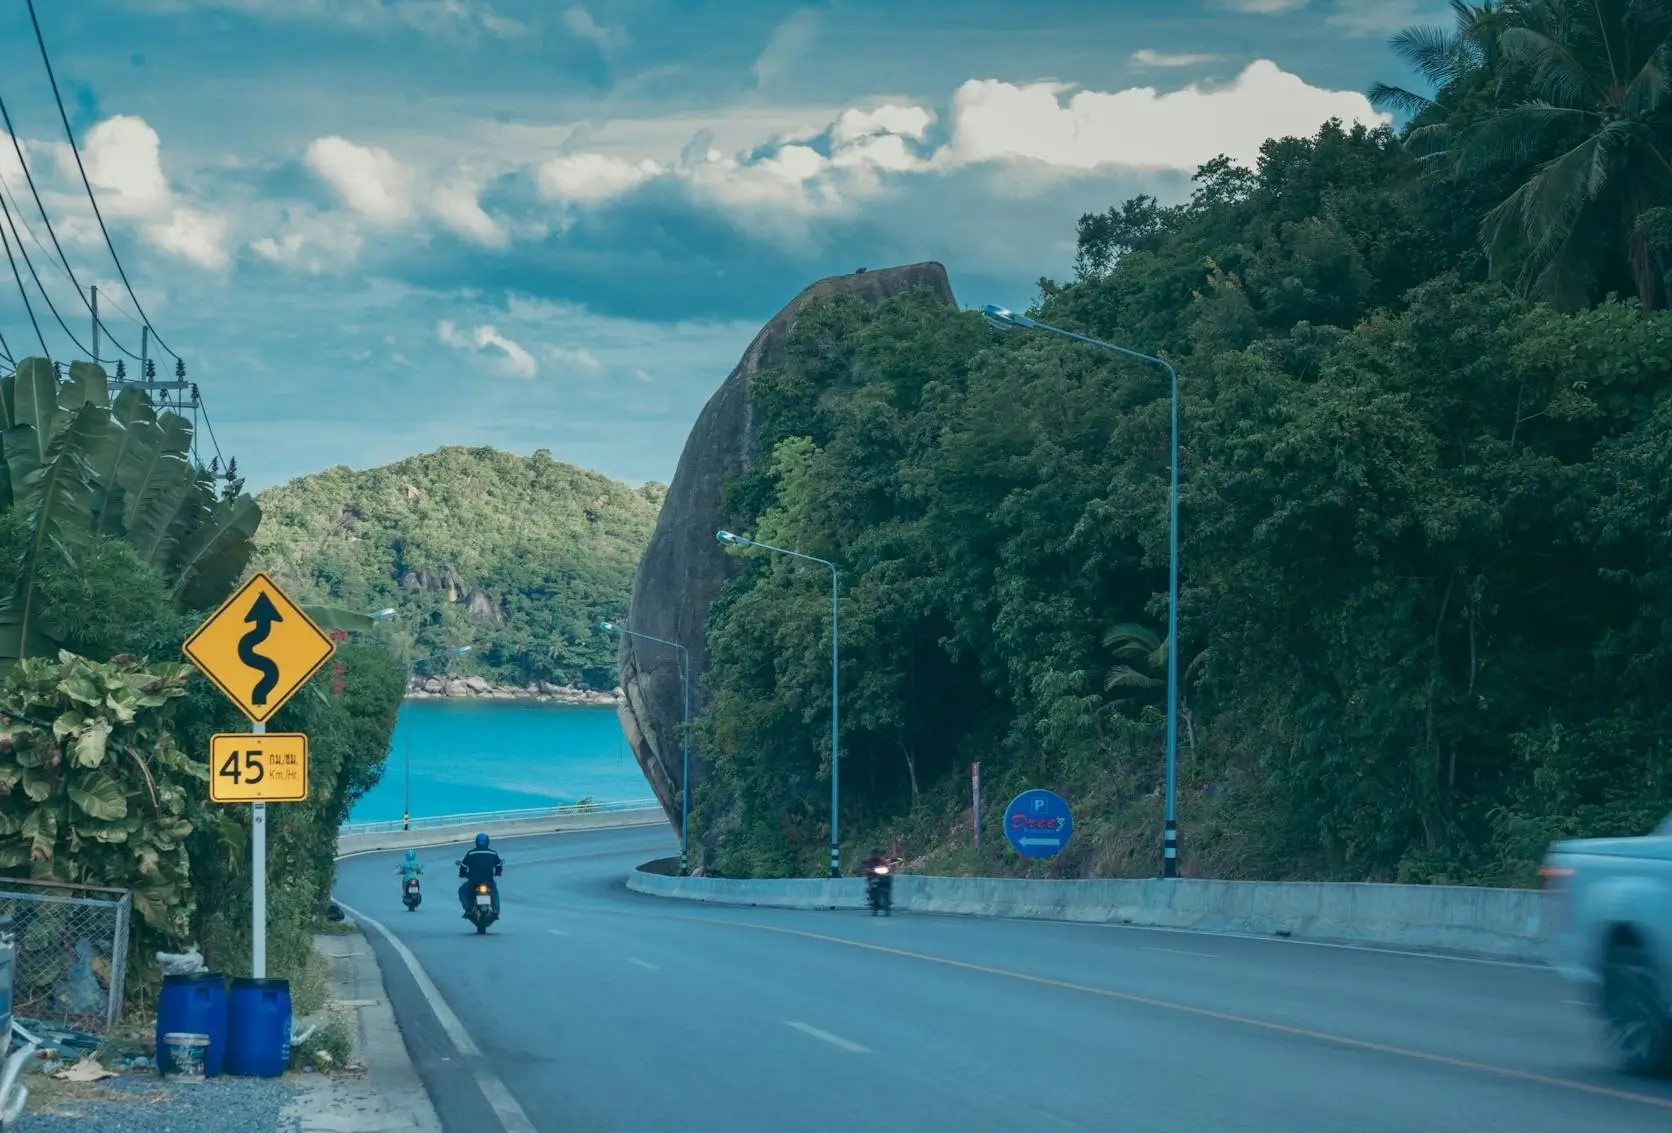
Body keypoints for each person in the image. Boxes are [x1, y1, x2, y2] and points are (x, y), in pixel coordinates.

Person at [458, 832, 504, 918]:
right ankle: (496, 909)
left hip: (474, 881)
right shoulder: (493, 853)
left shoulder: (471, 853)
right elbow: (498, 865)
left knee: (462, 891)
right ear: (487, 842)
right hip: (488, 880)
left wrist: (462, 874)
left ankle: (468, 908)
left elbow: (463, 866)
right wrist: (498, 873)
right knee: (494, 892)